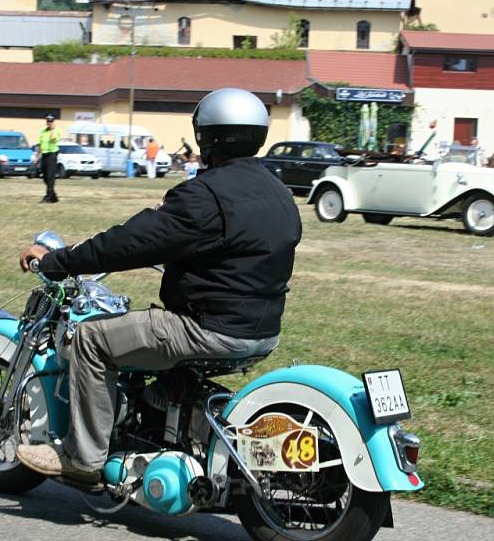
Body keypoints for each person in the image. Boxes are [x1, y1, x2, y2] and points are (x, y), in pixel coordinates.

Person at [16, 88, 302, 486]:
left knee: (90, 340)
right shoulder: (278, 191)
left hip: (207, 329)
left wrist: (59, 260)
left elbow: (127, 243)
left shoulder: (205, 195)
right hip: (262, 330)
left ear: (207, 136)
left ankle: (83, 460)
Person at [38, 114, 61, 203]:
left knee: (50, 177)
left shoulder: (57, 130)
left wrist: (52, 130)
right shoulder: (42, 131)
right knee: (45, 177)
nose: (49, 122)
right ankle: (53, 196)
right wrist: (37, 154)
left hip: (52, 155)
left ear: (53, 121)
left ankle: (48, 196)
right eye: (48, 121)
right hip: (44, 155)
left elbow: (53, 139)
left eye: (51, 121)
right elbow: (40, 142)